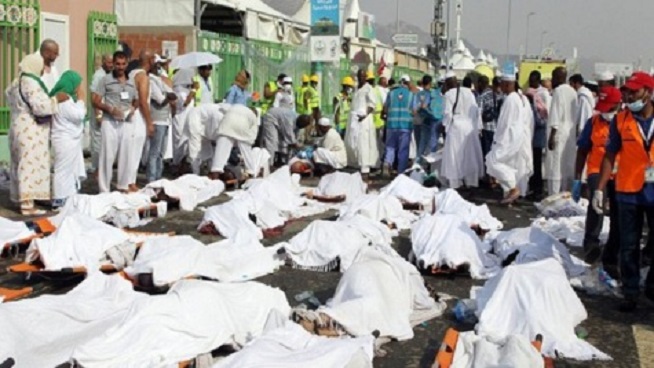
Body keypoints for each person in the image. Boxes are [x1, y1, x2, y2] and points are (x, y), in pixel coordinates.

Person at [595, 72, 654, 312]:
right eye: (627, 91)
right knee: (628, 244)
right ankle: (630, 291)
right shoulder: (621, 120)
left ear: (648, 93)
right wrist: (600, 188)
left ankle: (651, 286)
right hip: (628, 191)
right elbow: (609, 154)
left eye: (634, 91)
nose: (629, 96)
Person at [5, 54, 69, 215]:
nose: (42, 71)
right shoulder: (31, 82)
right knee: (29, 164)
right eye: (41, 67)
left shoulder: (15, 82)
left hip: (17, 125)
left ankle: (23, 198)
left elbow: (9, 98)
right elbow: (40, 107)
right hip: (30, 130)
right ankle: (27, 205)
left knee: (20, 163)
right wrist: (57, 100)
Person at [573, 86, 622, 265]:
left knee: (619, 211)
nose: (604, 112)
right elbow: (582, 151)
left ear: (618, 104)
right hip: (596, 171)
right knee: (596, 206)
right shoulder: (593, 122)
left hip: (620, 173)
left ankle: (614, 248)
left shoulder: (626, 123)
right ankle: (591, 245)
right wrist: (577, 178)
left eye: (608, 108)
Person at [93, 51, 138, 193]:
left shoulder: (131, 81)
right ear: (113, 63)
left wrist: (132, 108)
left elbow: (136, 100)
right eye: (117, 64)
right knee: (107, 156)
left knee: (126, 155)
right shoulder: (105, 80)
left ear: (127, 64)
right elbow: (95, 100)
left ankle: (123, 186)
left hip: (127, 121)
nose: (120, 67)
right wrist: (110, 109)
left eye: (123, 64)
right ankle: (104, 189)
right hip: (110, 121)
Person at [485, 72, 534, 204]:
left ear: (507, 84)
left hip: (509, 137)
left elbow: (504, 123)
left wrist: (497, 140)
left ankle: (512, 188)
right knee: (515, 165)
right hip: (520, 137)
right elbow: (530, 120)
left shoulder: (511, 99)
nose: (500, 87)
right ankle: (514, 194)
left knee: (492, 160)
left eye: (502, 84)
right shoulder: (522, 98)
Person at [50, 71, 87, 208]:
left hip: (67, 139)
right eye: (78, 84)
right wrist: (82, 99)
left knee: (69, 170)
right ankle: (59, 199)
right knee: (63, 169)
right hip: (65, 140)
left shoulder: (63, 98)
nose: (79, 87)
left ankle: (69, 198)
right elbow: (79, 115)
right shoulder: (64, 100)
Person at [441, 71, 483, 189]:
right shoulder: (469, 92)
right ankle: (471, 182)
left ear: (447, 83)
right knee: (469, 156)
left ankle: (455, 183)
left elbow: (447, 113)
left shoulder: (449, 94)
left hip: (456, 127)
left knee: (454, 157)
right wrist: (477, 128)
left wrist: (445, 126)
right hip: (469, 127)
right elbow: (476, 111)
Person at [545, 67, 578, 195]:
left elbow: (555, 115)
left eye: (553, 77)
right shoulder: (573, 92)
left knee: (555, 165)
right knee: (567, 165)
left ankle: (553, 195)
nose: (552, 80)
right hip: (570, 133)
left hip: (558, 133)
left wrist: (552, 136)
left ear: (558, 77)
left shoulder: (558, 91)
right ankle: (565, 194)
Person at [344, 69, 380, 180]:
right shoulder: (355, 88)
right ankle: (356, 164)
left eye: (363, 76)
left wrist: (364, 114)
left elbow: (372, 104)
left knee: (363, 143)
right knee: (352, 142)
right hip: (354, 119)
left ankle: (365, 169)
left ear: (366, 77)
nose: (361, 78)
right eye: (359, 76)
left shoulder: (369, 88)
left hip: (364, 121)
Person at [128, 49, 156, 191]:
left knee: (132, 150)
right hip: (138, 118)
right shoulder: (142, 76)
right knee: (135, 150)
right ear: (149, 60)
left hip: (132, 116)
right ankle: (130, 182)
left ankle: (129, 181)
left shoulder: (131, 73)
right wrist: (149, 122)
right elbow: (143, 101)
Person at [146, 62, 177, 183]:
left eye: (160, 66)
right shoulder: (152, 82)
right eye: (157, 66)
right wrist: (169, 98)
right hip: (157, 120)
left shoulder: (160, 81)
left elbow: (173, 95)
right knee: (154, 151)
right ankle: (151, 179)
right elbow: (161, 100)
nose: (159, 69)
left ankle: (158, 177)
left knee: (161, 153)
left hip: (166, 120)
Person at [210, 104, 260, 179]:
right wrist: (248, 143)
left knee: (221, 152)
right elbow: (253, 136)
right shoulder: (253, 116)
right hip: (242, 126)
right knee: (247, 152)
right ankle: (251, 173)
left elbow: (222, 107)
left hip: (227, 122)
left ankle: (215, 176)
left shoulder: (236, 106)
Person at [185, 103, 230, 174]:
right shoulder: (219, 116)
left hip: (205, 123)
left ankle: (210, 170)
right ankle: (195, 174)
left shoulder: (228, 115)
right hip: (195, 119)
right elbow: (214, 135)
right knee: (195, 148)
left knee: (208, 151)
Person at [526, 71, 551, 200]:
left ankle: (538, 189)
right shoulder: (531, 92)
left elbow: (544, 114)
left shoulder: (543, 94)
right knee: (532, 161)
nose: (531, 83)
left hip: (539, 131)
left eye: (533, 81)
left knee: (537, 162)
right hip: (532, 131)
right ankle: (533, 186)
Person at [383, 75, 414, 175]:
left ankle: (387, 163)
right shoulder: (411, 95)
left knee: (390, 147)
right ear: (408, 83)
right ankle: (401, 172)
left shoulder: (391, 93)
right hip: (405, 126)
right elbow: (414, 111)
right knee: (403, 150)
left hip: (391, 124)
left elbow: (385, 109)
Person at [89, 54, 113, 176]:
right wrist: (98, 115)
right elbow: (93, 96)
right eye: (109, 62)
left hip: (107, 113)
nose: (111, 65)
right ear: (104, 62)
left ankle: (103, 167)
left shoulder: (110, 75)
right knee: (98, 141)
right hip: (99, 113)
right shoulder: (99, 75)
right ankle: (96, 167)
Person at [170, 68, 198, 171]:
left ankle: (185, 164)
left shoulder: (186, 89)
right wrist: (193, 90)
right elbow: (184, 104)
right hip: (180, 119)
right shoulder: (178, 89)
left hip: (188, 119)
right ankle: (176, 164)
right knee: (179, 143)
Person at [478, 76, 500, 170]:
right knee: (495, 153)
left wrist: (479, 129)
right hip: (497, 129)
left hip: (487, 128)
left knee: (487, 153)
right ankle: (493, 175)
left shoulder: (483, 96)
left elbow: (479, 113)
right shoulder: (501, 95)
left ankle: (489, 175)